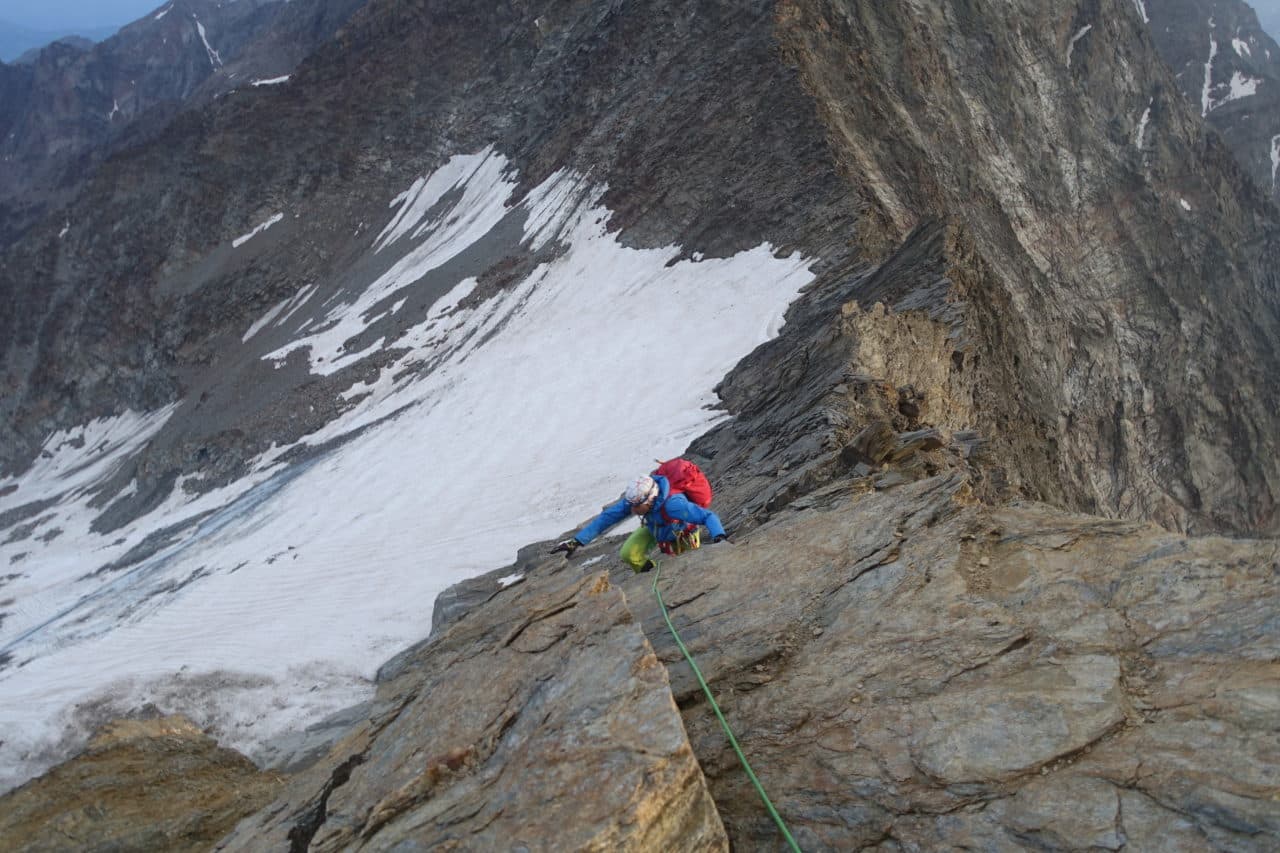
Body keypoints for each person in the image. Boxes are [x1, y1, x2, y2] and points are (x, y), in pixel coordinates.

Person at [551, 473, 728, 572]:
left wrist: (719, 537)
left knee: (691, 569)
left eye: (636, 506)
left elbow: (707, 516)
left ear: (649, 499)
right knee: (628, 553)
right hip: (656, 528)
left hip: (682, 534)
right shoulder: (637, 501)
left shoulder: (673, 504)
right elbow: (607, 518)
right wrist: (576, 541)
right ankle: (651, 572)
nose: (632, 510)